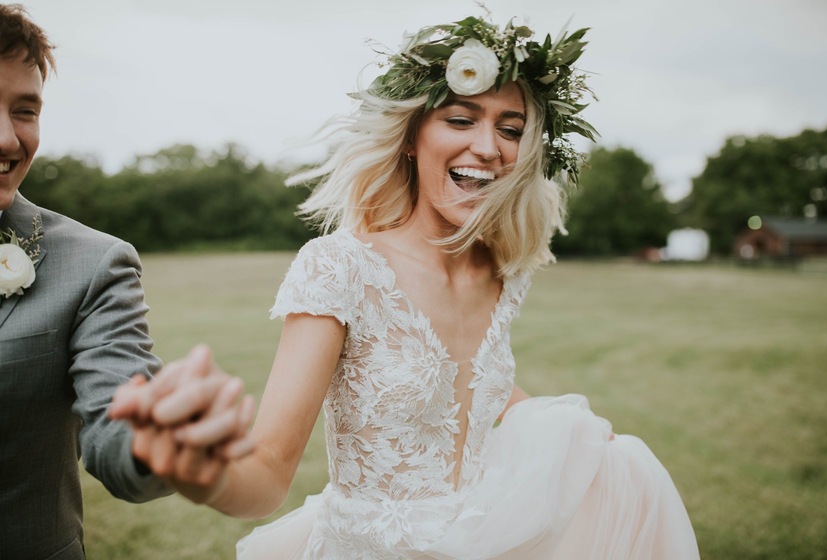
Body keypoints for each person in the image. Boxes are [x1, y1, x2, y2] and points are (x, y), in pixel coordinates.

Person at [113, 13, 701, 559]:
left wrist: (571, 433)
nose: (489, 147)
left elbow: (464, 381)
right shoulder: (340, 268)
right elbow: (267, 475)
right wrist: (206, 471)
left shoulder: (504, 272)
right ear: (412, 136)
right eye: (461, 118)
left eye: (511, 127)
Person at [0, 5, 254, 558]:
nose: (7, 140)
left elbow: (116, 433)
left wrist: (157, 439)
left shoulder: (93, 265)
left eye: (24, 110)